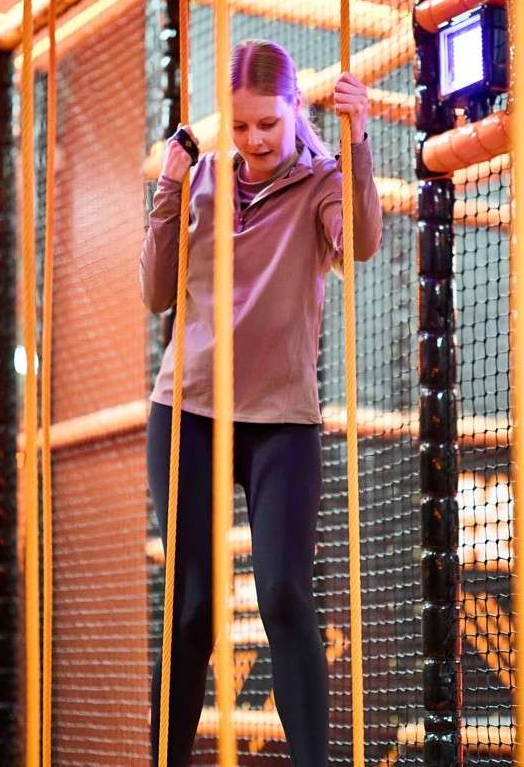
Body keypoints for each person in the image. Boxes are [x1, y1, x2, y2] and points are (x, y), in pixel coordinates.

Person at [138, 38, 383, 765]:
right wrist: (168, 190)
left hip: (283, 420)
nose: (254, 141)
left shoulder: (322, 182)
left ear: (293, 110)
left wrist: (361, 141)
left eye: (267, 125)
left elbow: (362, 244)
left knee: (283, 594)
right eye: (241, 127)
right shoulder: (205, 181)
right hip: (188, 411)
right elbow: (155, 294)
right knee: (193, 609)